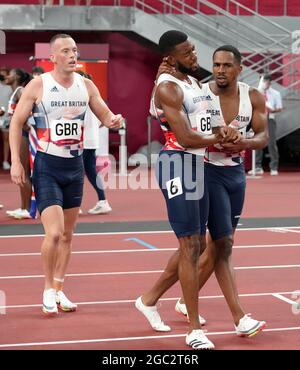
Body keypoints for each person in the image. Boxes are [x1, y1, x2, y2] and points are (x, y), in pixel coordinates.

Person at [136, 44, 268, 347]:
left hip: (233, 173)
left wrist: (241, 142)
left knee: (217, 245)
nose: (219, 70)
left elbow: (262, 136)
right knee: (201, 244)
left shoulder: (245, 95)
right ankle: (224, 319)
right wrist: (218, 137)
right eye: (216, 64)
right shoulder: (196, 89)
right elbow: (185, 132)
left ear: (239, 68)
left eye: (226, 65)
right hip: (200, 169)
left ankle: (158, 298)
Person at [9, 34, 123, 316]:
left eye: (74, 50)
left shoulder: (86, 85)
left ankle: (59, 289)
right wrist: (16, 161)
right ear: (53, 57)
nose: (72, 55)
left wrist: (113, 119)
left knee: (69, 235)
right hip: (47, 166)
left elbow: (104, 114)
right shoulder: (39, 85)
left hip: (74, 168)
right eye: (65, 51)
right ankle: (48, 289)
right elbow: (16, 123)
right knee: (55, 233)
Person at [76, 70, 112, 215]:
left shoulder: (83, 97)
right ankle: (102, 201)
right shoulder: (92, 96)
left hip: (83, 141)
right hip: (89, 140)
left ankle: (75, 204)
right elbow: (104, 120)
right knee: (89, 172)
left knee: (79, 172)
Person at [5, 68, 33, 219]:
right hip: (19, 133)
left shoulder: (21, 90)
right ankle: (24, 207)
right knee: (23, 172)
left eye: (9, 73)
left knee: (23, 172)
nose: (7, 76)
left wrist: (25, 124)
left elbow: (30, 109)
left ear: (16, 76)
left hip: (23, 134)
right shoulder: (15, 92)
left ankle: (27, 208)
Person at [249, 73, 283, 175]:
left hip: (270, 118)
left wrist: (272, 109)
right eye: (263, 81)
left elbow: (280, 108)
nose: (264, 83)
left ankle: (273, 167)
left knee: (271, 142)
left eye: (266, 81)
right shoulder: (256, 92)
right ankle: (258, 166)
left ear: (270, 82)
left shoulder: (275, 93)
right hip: (258, 118)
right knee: (258, 140)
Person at [0, 67, 12, 170]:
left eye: (4, 74)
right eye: (1, 74)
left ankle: (5, 161)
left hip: (5, 118)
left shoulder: (10, 88)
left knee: (6, 140)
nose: (2, 76)